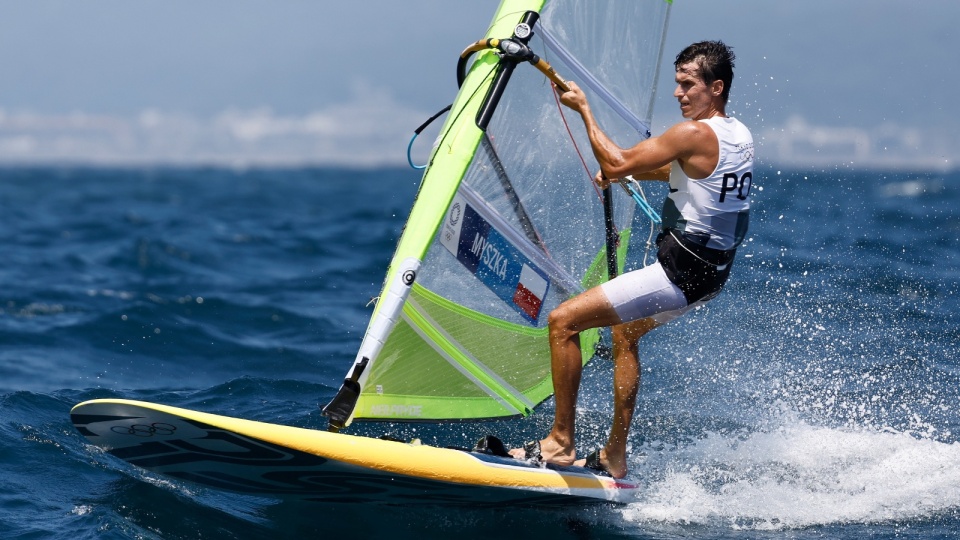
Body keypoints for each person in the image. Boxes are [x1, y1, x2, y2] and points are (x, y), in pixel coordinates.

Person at [509, 41, 754, 479]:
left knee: (563, 322)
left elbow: (617, 160)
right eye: (676, 85)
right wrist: (629, 169)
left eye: (687, 85)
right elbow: (678, 170)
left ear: (716, 88)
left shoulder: (691, 133)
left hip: (678, 274)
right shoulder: (737, 135)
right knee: (624, 332)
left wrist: (585, 110)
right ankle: (614, 456)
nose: (678, 94)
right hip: (711, 277)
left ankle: (561, 443)